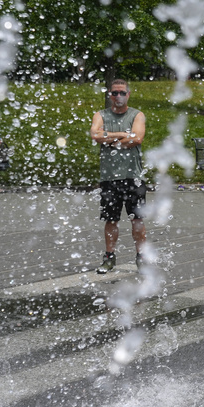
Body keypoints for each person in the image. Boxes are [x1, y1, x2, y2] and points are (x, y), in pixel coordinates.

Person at [89, 79, 147, 274]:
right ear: (110, 95)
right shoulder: (101, 115)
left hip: (133, 176)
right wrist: (123, 134)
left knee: (137, 220)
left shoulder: (137, 115)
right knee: (110, 220)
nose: (119, 96)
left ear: (128, 94)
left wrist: (110, 138)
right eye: (115, 93)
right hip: (109, 178)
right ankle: (109, 257)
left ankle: (141, 257)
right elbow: (95, 135)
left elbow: (137, 138)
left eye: (122, 93)